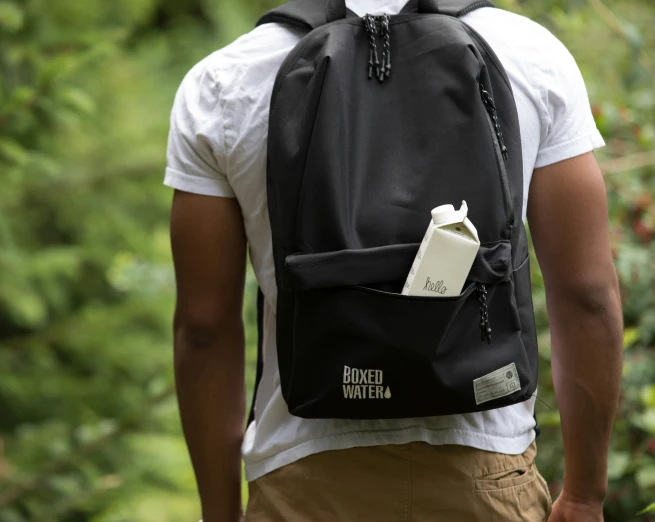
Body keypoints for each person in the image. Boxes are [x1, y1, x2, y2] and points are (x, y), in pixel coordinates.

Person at [166, 0, 624, 520]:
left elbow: (204, 327)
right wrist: (585, 494)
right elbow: (586, 294)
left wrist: (219, 513)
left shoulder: (225, 82)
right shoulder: (529, 54)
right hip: (484, 477)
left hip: (302, 482)